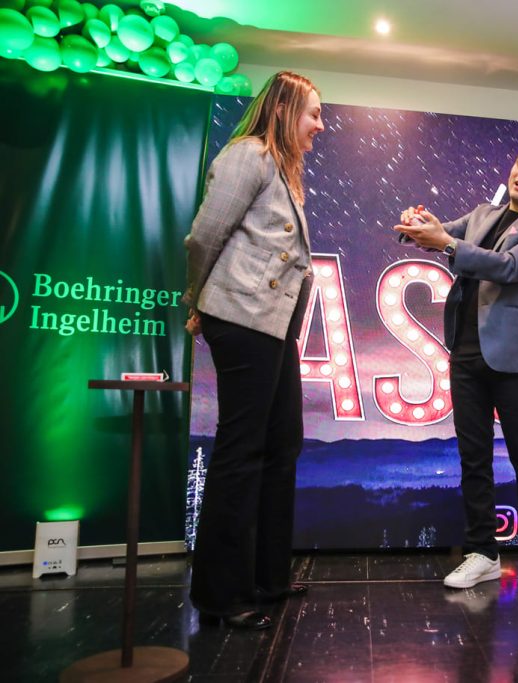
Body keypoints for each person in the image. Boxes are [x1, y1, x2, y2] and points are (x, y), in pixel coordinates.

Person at [394, 136, 518, 592]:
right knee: (474, 458)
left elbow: (508, 266)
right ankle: (482, 553)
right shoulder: (481, 214)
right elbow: (442, 236)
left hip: (516, 359)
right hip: (466, 354)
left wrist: (445, 241)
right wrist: (419, 226)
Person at [183, 71, 324, 629]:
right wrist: (196, 299)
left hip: (273, 324)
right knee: (241, 450)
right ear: (286, 110)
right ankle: (220, 594)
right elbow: (204, 236)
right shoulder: (249, 155)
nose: (320, 123)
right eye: (313, 112)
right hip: (241, 317)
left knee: (281, 442)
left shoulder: (287, 169)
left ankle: (266, 575)